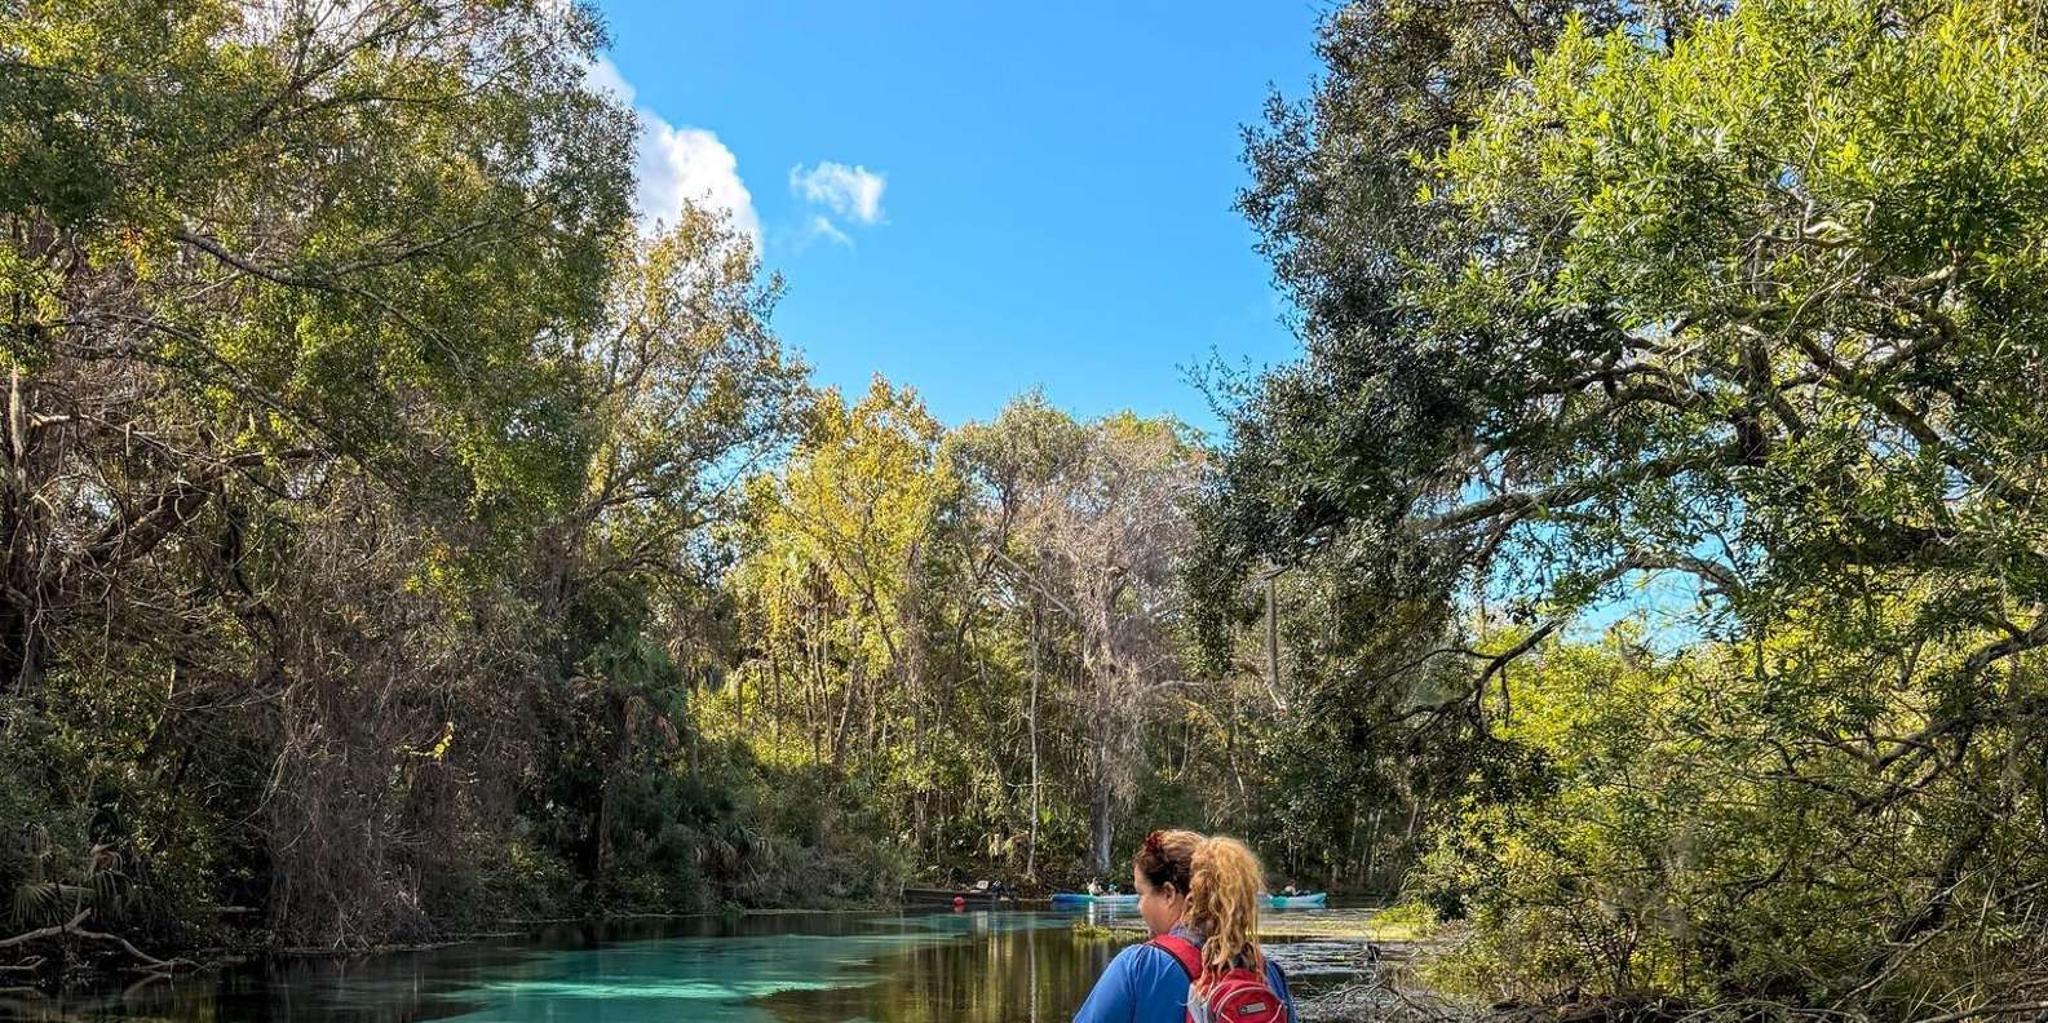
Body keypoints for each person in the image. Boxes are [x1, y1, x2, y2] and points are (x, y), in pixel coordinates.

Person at [1072, 829, 1297, 1023]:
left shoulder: (1138, 967)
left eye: (1141, 894)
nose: (1139, 907)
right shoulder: (1265, 971)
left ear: (1169, 893)